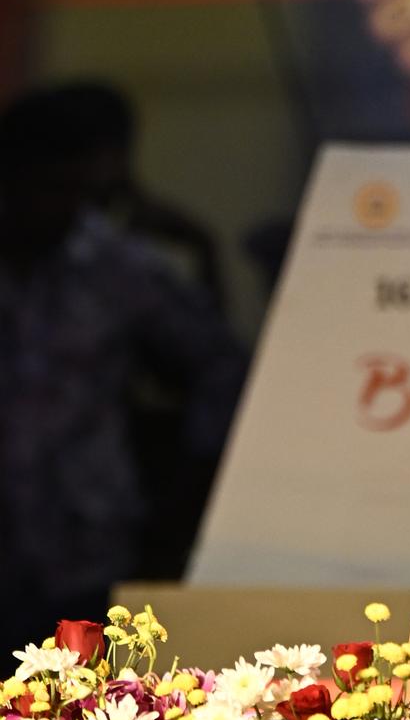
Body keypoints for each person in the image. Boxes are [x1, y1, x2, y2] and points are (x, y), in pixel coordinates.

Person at [0, 86, 247, 654]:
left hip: (85, 547)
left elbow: (220, 368)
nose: (51, 204)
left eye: (66, 187)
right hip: (12, 544)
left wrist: (184, 490)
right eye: (36, 184)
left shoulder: (117, 269)